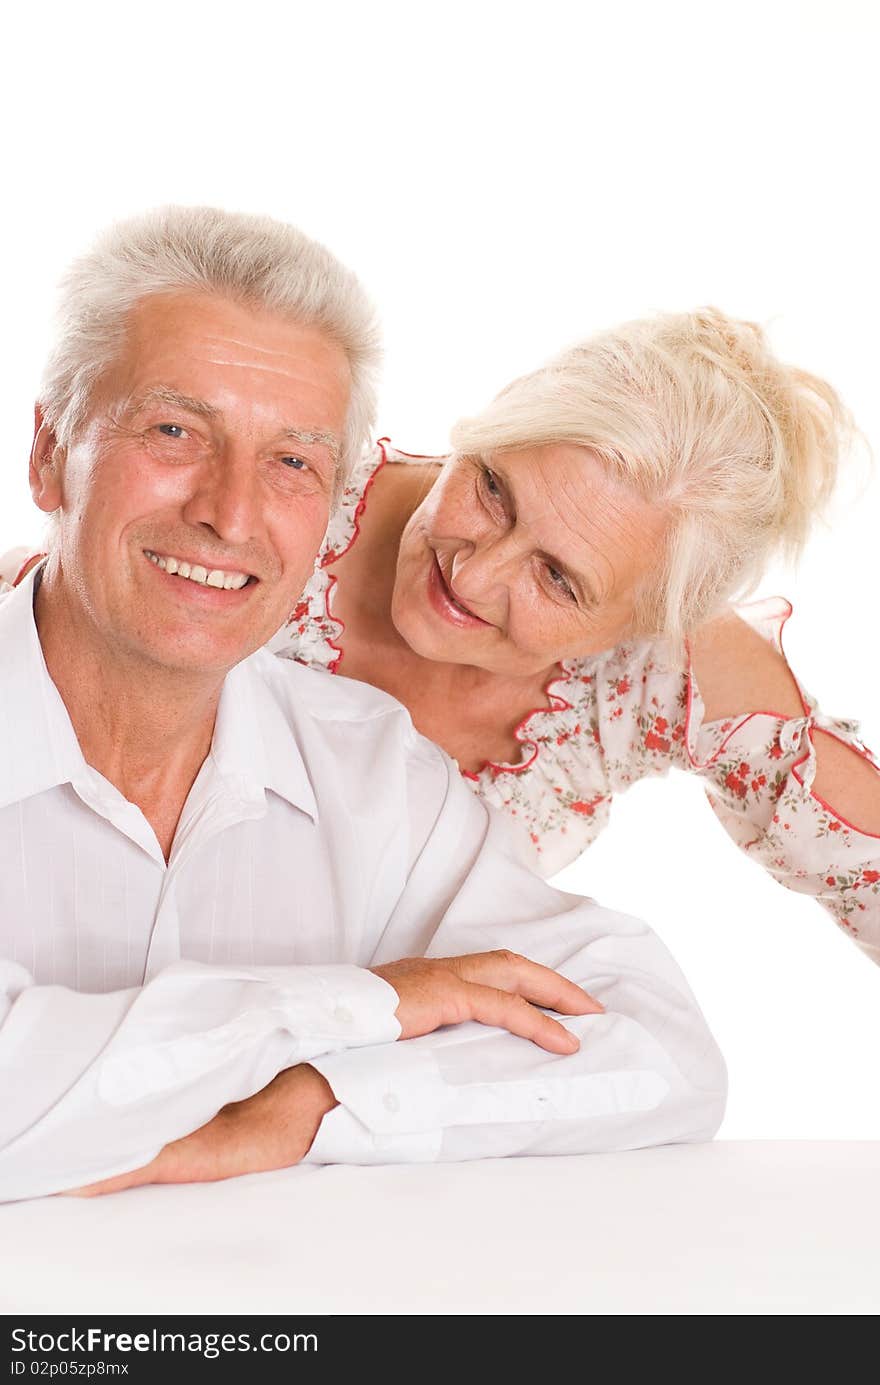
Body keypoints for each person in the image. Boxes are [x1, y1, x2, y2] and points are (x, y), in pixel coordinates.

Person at [0, 207, 725, 1204]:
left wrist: (310, 1106)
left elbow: (658, 1051)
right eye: (174, 430)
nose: (229, 512)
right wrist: (361, 1005)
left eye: (292, 462)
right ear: (49, 453)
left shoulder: (372, 770)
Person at [256, 314, 879, 963]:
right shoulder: (280, 508)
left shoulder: (644, 681)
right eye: (494, 488)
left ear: (643, 630)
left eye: (558, 578)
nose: (471, 574)